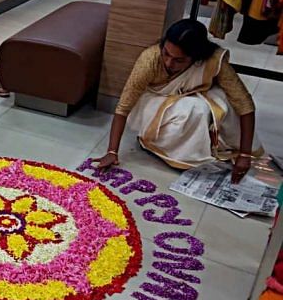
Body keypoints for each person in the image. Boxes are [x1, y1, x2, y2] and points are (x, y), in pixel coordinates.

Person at [93, 19, 261, 183]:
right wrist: (112, 151)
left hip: (192, 94)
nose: (168, 62)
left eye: (179, 60)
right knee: (196, 109)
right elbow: (123, 107)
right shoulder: (150, 59)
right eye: (166, 54)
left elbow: (244, 103)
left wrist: (245, 154)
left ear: (197, 57)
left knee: (225, 100)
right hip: (155, 102)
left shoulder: (212, 59)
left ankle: (208, 143)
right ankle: (174, 151)